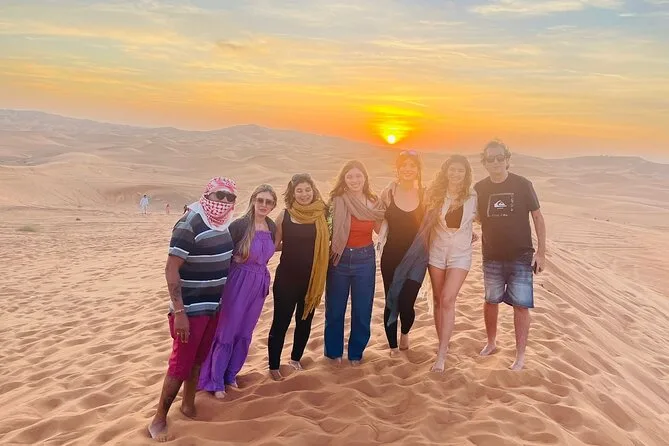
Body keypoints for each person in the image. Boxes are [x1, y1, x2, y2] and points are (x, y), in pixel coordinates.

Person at [147, 177, 237, 442]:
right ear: (207, 195)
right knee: (180, 364)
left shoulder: (224, 223)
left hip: (213, 306)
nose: (223, 202)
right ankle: (159, 419)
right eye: (219, 195)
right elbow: (171, 269)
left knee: (198, 359)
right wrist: (180, 312)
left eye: (229, 197)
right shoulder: (189, 223)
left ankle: (188, 405)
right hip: (190, 309)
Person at [198, 184, 277, 398]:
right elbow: (223, 254)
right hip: (237, 281)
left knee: (245, 331)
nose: (263, 205)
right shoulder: (240, 225)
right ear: (253, 200)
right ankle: (215, 381)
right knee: (227, 330)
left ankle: (231, 374)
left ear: (273, 206)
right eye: (260, 200)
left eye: (268, 202)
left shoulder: (271, 226)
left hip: (258, 284)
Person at [475, 139, 546, 371]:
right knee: (490, 301)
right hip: (491, 255)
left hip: (521, 255)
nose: (496, 162)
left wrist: (541, 252)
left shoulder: (523, 184)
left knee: (521, 305)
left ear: (507, 159)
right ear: (485, 162)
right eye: (491, 158)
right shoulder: (479, 188)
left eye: (500, 157)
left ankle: (520, 355)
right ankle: (491, 343)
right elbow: (474, 217)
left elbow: (538, 217)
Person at [267, 174, 329, 381]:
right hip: (286, 279)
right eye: (299, 190)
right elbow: (274, 245)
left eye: (307, 190)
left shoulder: (322, 213)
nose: (304, 194)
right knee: (281, 322)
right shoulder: (285, 215)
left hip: (311, 279)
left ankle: (295, 359)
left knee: (304, 321)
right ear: (292, 194)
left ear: (314, 190)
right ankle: (274, 366)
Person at [324, 160, 385, 366]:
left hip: (365, 259)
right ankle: (334, 353)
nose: (354, 180)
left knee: (362, 309)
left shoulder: (374, 203)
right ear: (344, 179)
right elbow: (325, 228)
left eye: (358, 176)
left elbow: (380, 230)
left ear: (365, 178)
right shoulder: (336, 201)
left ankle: (356, 353)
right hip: (338, 258)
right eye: (349, 176)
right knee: (335, 309)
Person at [426, 155, 478, 372]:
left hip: (460, 254)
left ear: (466, 174)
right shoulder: (435, 194)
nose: (456, 174)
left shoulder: (473, 196)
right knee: (438, 300)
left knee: (448, 299)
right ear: (446, 171)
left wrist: (474, 233)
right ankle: (443, 343)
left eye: (460, 170)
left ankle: (441, 355)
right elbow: (422, 219)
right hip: (436, 252)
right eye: (452, 169)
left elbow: (484, 220)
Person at [377, 150, 425, 356]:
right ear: (397, 169)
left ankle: (404, 332)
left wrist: (468, 233)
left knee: (407, 302)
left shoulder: (425, 194)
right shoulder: (388, 193)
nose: (408, 169)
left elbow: (437, 219)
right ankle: (393, 347)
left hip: (418, 258)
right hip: (391, 256)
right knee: (391, 301)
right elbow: (376, 218)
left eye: (412, 165)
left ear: (418, 170)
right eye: (404, 165)